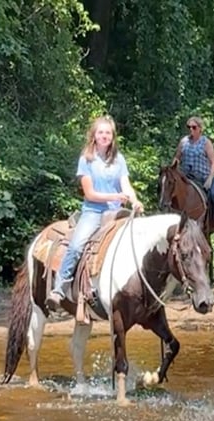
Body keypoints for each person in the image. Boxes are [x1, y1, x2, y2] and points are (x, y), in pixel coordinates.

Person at [46, 115, 144, 310]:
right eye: (101, 132)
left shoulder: (119, 160)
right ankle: (60, 288)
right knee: (76, 246)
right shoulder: (86, 160)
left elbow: (126, 185)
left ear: (112, 136)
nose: (104, 136)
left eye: (108, 132)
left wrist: (134, 200)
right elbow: (89, 194)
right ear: (94, 135)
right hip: (93, 212)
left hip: (116, 213)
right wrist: (115, 197)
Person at [170, 116, 214, 236]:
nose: (191, 130)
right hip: (187, 176)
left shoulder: (206, 143)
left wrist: (210, 178)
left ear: (200, 129)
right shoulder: (184, 142)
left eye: (194, 127)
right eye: (189, 127)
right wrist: (172, 169)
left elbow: (213, 162)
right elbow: (177, 157)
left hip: (204, 177)